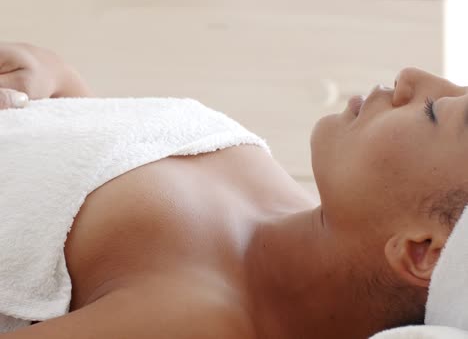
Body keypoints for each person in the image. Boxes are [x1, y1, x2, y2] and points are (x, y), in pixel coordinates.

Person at [0, 42, 467, 339]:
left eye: (435, 112)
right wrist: (54, 80)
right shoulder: (286, 209)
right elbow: (69, 195)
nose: (412, 77)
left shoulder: (194, 320)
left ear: (422, 252)